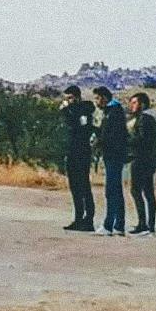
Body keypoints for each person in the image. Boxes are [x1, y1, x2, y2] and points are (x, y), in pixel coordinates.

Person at [60, 87, 97, 230]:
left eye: (70, 98)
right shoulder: (71, 112)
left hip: (82, 152)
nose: (68, 101)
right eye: (67, 98)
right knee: (74, 187)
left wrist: (66, 111)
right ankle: (78, 218)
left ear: (77, 97)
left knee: (84, 186)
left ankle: (88, 219)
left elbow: (79, 128)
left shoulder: (84, 111)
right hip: (71, 151)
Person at [129, 94, 156, 235]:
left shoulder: (144, 119)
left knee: (137, 191)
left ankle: (143, 223)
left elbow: (142, 139)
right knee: (148, 192)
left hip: (141, 158)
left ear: (142, 104)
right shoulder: (151, 118)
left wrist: (127, 140)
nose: (132, 106)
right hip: (148, 159)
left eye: (134, 103)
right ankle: (150, 225)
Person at [99, 89, 130, 235]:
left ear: (104, 98)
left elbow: (112, 136)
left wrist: (100, 142)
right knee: (115, 190)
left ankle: (109, 225)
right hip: (113, 155)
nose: (96, 102)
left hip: (113, 155)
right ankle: (118, 225)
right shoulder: (113, 112)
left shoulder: (113, 113)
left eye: (98, 98)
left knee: (111, 190)